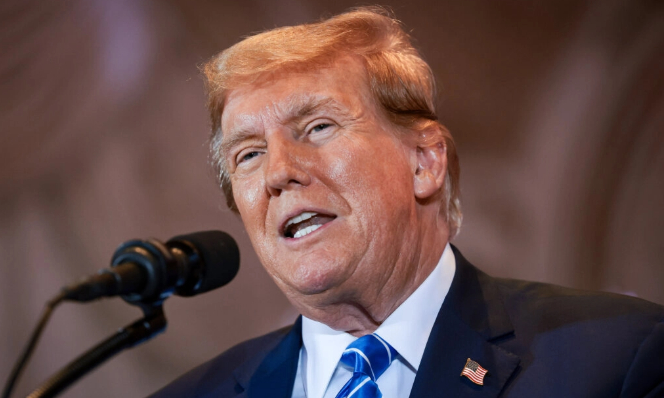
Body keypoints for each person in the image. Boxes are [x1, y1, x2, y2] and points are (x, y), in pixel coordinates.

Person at [150, 7, 664, 398]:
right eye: (249, 154)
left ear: (425, 162)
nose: (279, 172)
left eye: (318, 127)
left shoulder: (618, 360)